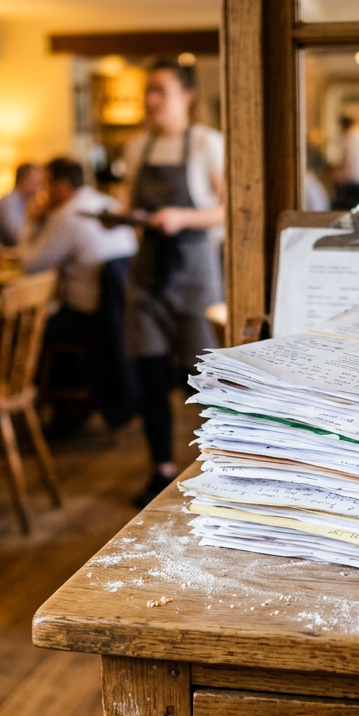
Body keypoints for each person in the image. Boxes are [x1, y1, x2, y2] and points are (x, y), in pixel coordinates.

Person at [119, 59, 226, 506]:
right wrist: (119, 216)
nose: (151, 101)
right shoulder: (136, 147)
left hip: (194, 268)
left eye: (160, 90)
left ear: (187, 96)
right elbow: (127, 203)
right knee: (148, 371)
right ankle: (160, 466)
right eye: (148, 91)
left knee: (201, 375)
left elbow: (229, 209)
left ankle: (219, 465)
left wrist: (182, 216)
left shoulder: (206, 143)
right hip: (147, 270)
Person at [24, 157, 140, 431]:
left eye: (46, 186)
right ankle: (75, 406)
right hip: (118, 316)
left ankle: (55, 410)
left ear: (62, 186)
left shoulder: (68, 214)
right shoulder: (108, 204)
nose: (43, 194)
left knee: (33, 329)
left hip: (90, 319)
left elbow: (30, 264)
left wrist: (31, 220)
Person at [0, 162, 45, 248]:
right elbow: (17, 238)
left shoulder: (24, 202)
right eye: (38, 182)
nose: (41, 187)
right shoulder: (9, 203)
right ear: (25, 180)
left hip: (12, 254)